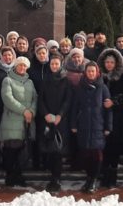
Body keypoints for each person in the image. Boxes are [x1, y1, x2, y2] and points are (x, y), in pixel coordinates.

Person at [70, 62, 112, 193]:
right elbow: (74, 108)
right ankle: (88, 178)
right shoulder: (79, 88)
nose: (91, 73)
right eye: (88, 71)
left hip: (98, 125)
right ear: (85, 73)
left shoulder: (103, 88)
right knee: (86, 154)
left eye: (93, 71)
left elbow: (108, 109)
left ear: (97, 72)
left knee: (97, 155)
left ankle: (93, 180)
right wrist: (73, 125)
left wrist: (108, 126)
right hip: (83, 125)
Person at [0, 55, 37, 186]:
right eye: (20, 65)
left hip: (26, 122)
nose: (22, 68)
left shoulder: (30, 82)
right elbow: (8, 99)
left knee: (22, 151)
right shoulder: (7, 80)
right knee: (11, 150)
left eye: (25, 66)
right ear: (15, 66)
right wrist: (24, 111)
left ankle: (19, 175)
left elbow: (35, 99)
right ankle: (10, 176)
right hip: (11, 121)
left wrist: (31, 111)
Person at [38, 52, 71, 192]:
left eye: (57, 64)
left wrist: (60, 115)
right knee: (50, 149)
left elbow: (68, 100)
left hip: (60, 120)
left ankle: (56, 178)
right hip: (48, 119)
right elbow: (40, 99)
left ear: (61, 64)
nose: (54, 66)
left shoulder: (66, 80)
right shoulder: (45, 79)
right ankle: (51, 176)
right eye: (52, 64)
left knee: (58, 150)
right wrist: (45, 114)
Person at [98, 49, 123, 188]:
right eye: (107, 62)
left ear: (116, 64)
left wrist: (114, 102)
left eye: (112, 62)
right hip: (102, 116)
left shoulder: (121, 77)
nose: (109, 64)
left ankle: (113, 176)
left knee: (114, 146)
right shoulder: (99, 77)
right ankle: (104, 174)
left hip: (116, 117)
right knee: (104, 147)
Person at [0, 46, 16, 170]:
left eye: (10, 55)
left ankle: (8, 162)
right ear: (1, 56)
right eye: (5, 55)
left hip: (13, 108)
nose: (7, 57)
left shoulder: (17, 69)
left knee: (10, 135)